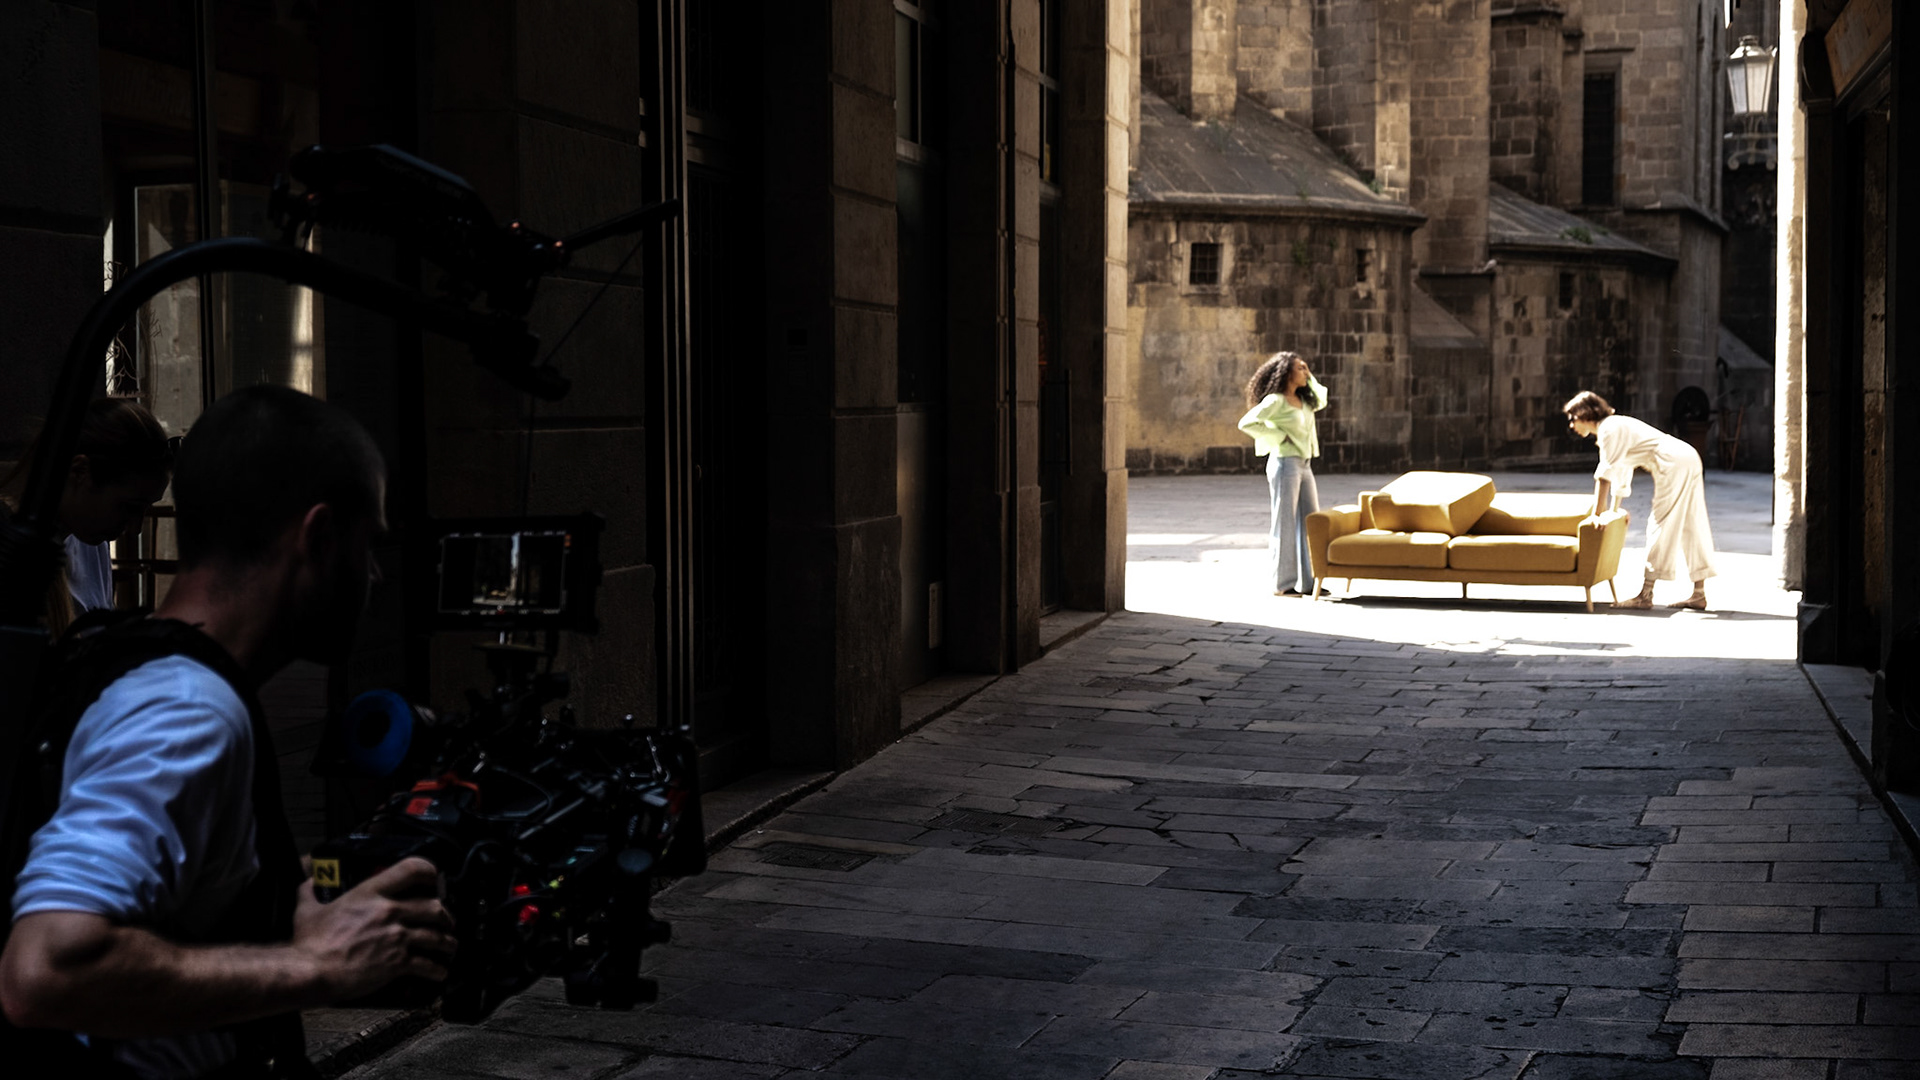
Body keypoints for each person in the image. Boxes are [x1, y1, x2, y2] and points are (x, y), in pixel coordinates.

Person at [1, 385, 456, 1078]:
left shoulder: (128, 656)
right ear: (319, 536)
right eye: (369, 547)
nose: (373, 577)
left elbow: (169, 889)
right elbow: (48, 969)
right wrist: (317, 965)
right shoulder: (186, 711)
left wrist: (290, 888)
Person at [0, 397, 173, 634]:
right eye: (128, 507)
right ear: (80, 472)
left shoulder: (89, 540)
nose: (135, 529)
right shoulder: (10, 549)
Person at [1563, 389, 1718, 610]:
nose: (1571, 425)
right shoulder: (1616, 425)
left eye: (1573, 418)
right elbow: (1622, 471)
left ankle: (1646, 594)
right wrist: (1615, 511)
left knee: (1660, 523)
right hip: (1687, 456)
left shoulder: (1608, 428)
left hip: (1672, 462)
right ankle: (1699, 593)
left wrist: (1597, 515)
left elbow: (1605, 474)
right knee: (1691, 524)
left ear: (1585, 414)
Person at [1238, 351, 1329, 597]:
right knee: (1285, 522)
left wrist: (1311, 379)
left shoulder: (1306, 400)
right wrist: (1278, 436)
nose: (1305, 371)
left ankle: (1311, 581)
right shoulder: (1276, 401)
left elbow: (1322, 399)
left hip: (1304, 465)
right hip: (1284, 463)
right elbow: (1247, 423)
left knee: (1311, 520)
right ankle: (1283, 583)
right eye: (1301, 368)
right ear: (1287, 372)